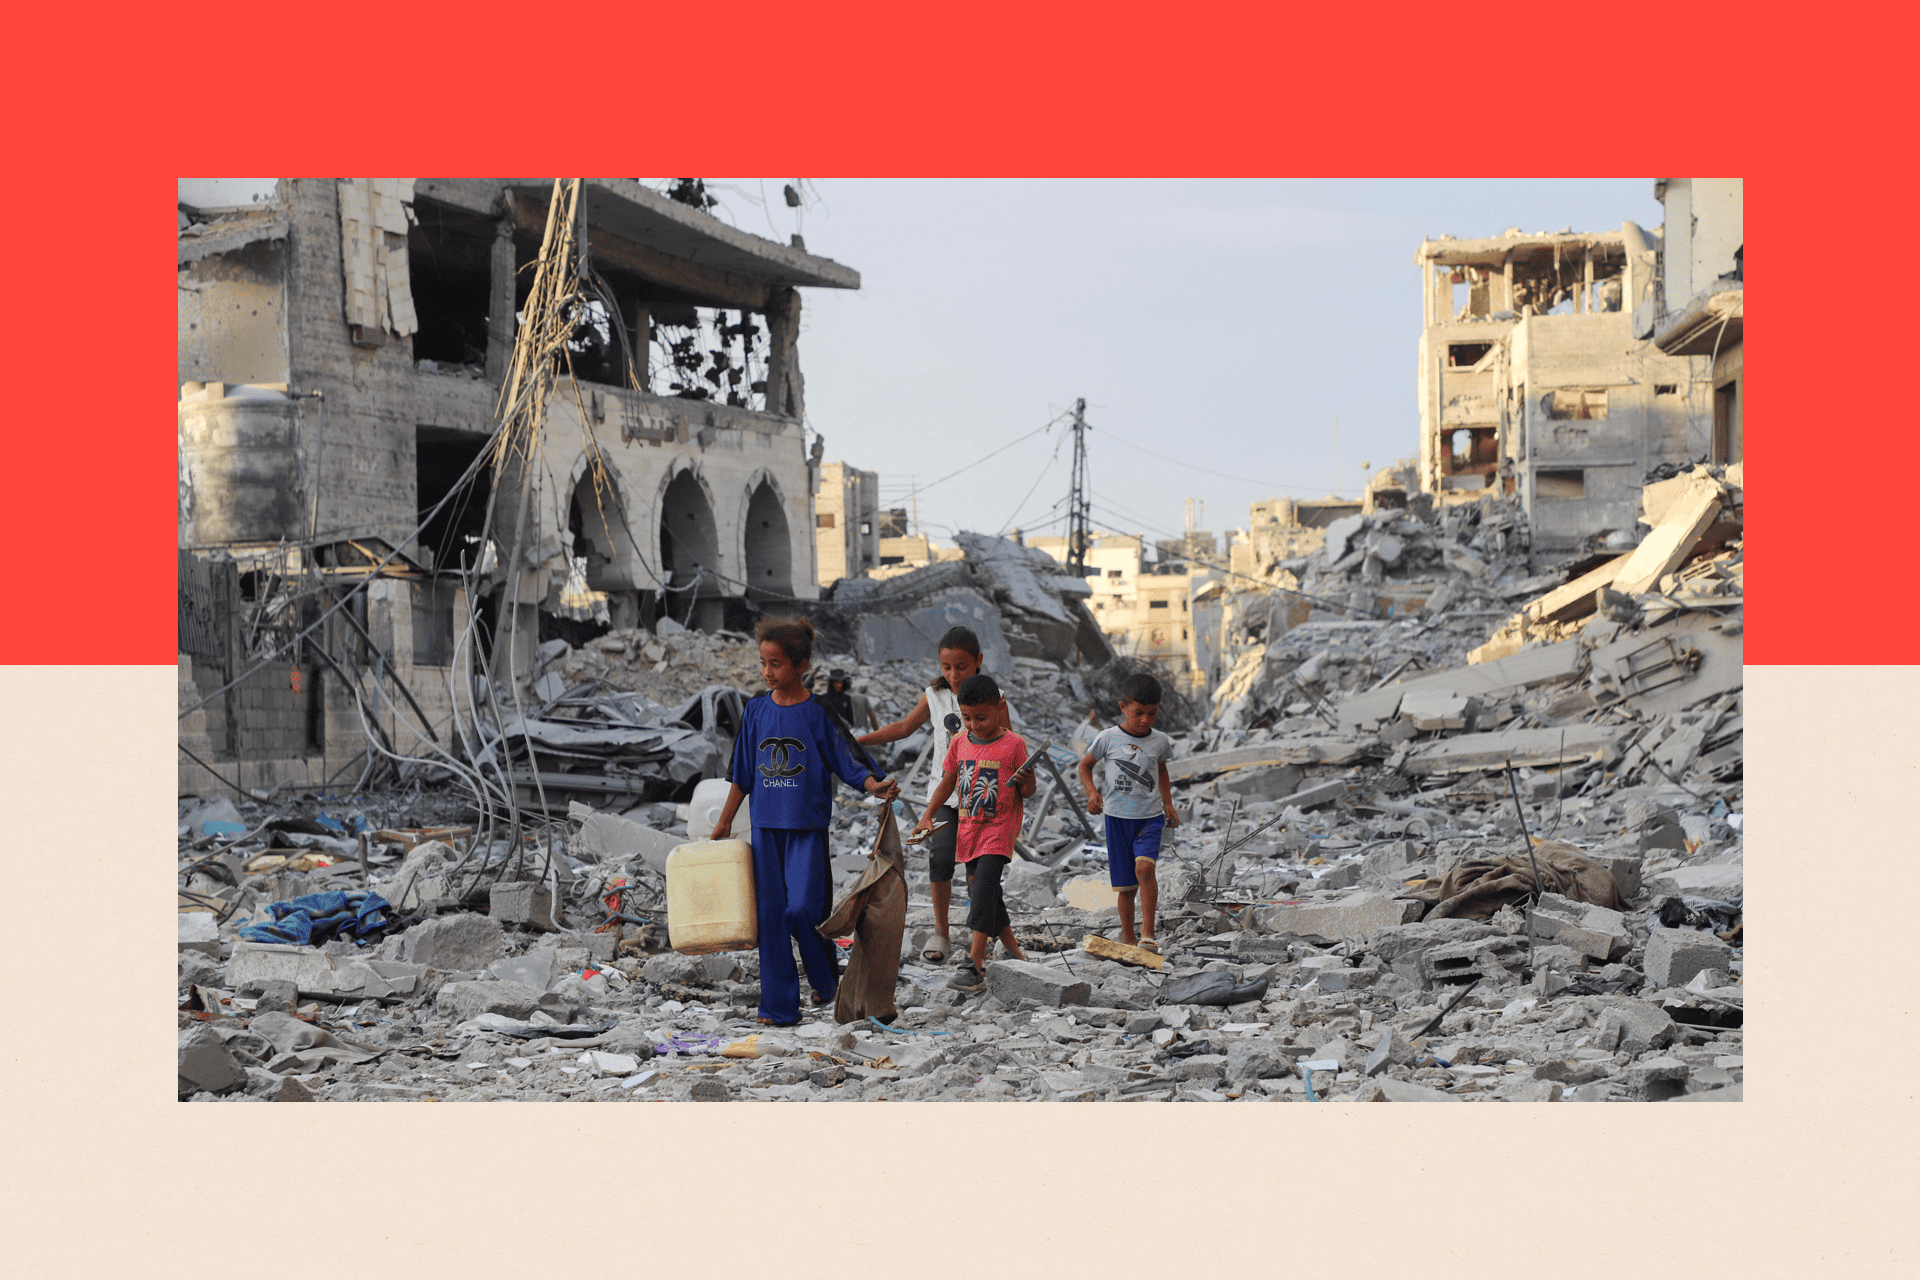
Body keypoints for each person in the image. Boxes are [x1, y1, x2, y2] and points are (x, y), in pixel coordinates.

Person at [711, 617, 900, 1027]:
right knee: (772, 919)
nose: (766, 672)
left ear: (800, 666)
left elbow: (846, 758)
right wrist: (725, 823)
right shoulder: (755, 711)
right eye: (763, 662)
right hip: (764, 829)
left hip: (806, 830)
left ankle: (826, 979)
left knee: (802, 910)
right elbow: (742, 774)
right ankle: (778, 1008)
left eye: (775, 664)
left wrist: (874, 784)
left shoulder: (819, 713)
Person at [857, 625, 1013, 963]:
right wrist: (859, 741)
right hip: (944, 796)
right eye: (946, 667)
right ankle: (941, 931)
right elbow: (902, 728)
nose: (953, 674)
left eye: (961, 666)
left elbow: (1010, 745)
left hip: (982, 801)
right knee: (941, 858)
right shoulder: (935, 696)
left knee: (979, 874)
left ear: (978, 662)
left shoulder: (994, 697)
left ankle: (994, 941)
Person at [912, 673, 1034, 993]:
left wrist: (1026, 778)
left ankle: (974, 965)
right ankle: (1014, 952)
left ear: (999, 708)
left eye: (980, 717)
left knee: (981, 891)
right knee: (985, 894)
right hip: (970, 829)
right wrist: (927, 816)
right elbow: (947, 783)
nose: (973, 724)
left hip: (999, 828)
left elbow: (1029, 790)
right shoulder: (960, 742)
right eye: (966, 717)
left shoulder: (1014, 744)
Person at [1078, 671, 1180, 954]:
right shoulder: (1107, 738)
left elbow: (1161, 771)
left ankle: (1147, 934)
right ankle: (1128, 939)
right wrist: (1092, 792)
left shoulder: (1160, 741)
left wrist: (1168, 804)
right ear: (1123, 708)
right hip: (1116, 819)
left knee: (1145, 869)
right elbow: (1084, 766)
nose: (1145, 720)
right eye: (1138, 713)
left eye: (1152, 713)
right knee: (1126, 887)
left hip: (1149, 818)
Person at [820, 668, 879, 732]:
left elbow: (850, 719)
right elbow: (872, 717)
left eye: (841, 682)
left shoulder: (846, 698)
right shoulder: (862, 698)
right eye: (836, 682)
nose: (839, 685)